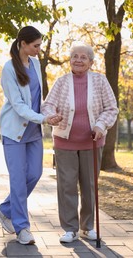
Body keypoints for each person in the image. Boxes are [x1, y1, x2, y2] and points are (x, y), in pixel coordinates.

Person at [41, 42, 118, 243]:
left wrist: (101, 125)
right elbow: (48, 105)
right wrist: (51, 116)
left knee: (89, 185)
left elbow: (111, 108)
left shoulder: (100, 81)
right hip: (64, 141)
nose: (78, 60)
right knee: (66, 185)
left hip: (92, 141)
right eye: (75, 56)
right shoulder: (61, 82)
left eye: (83, 57)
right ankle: (70, 229)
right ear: (70, 60)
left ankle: (87, 227)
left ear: (91, 62)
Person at [0, 26, 61, 245]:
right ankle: (22, 228)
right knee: (18, 180)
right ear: (22, 44)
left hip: (34, 132)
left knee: (34, 174)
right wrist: (43, 119)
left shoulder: (36, 64)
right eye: (36, 45)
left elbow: (38, 97)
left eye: (40, 45)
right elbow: (19, 105)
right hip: (15, 132)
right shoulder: (9, 69)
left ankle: (4, 209)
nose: (39, 50)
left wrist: (47, 115)